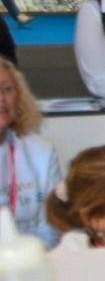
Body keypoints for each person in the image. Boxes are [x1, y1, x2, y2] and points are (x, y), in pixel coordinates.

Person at [0, 58, 62, 246]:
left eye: (7, 89)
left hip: (32, 263)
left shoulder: (41, 152)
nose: (1, 98)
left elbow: (53, 228)